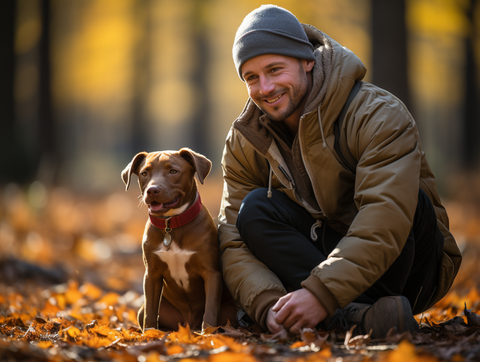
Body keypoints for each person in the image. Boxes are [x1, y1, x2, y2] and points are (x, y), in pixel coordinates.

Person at [217, 4, 462, 338]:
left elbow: (384, 214)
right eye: (252, 77)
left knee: (409, 202)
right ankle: (362, 318)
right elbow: (232, 238)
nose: (265, 87)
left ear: (307, 60)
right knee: (254, 210)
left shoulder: (377, 114)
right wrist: (267, 304)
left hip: (412, 262)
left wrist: (322, 293)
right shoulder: (246, 140)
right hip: (318, 258)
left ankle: (330, 310)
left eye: (275, 69)